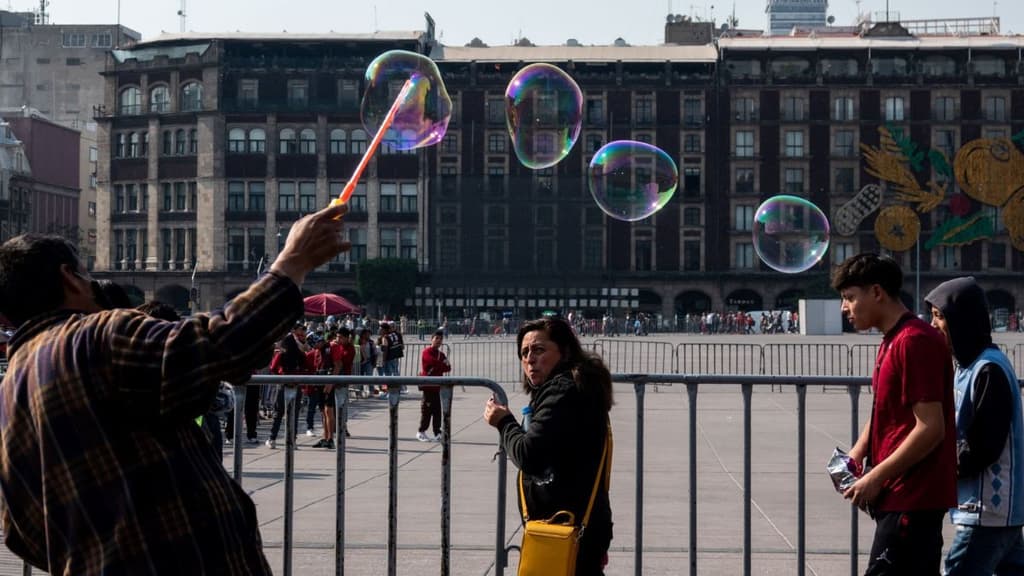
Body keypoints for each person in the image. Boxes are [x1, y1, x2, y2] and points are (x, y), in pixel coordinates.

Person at [0, 203, 350, 575]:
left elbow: (21, 532)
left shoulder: (9, 397)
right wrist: (291, 264)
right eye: (87, 275)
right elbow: (220, 343)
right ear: (70, 278)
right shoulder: (95, 337)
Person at [832, 253, 956, 575]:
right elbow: (883, 409)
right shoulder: (892, 339)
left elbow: (931, 428)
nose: (844, 308)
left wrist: (876, 477)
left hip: (913, 497)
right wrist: (857, 456)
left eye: (849, 298)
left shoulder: (914, 340)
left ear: (877, 292)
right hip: (900, 496)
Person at [483, 316, 614, 575]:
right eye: (524, 352)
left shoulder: (564, 391)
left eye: (539, 350)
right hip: (567, 527)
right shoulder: (569, 390)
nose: (529, 358)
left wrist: (504, 422)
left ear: (564, 352)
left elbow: (529, 455)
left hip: (568, 528)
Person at [924, 277, 1024, 575]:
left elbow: (983, 445)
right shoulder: (969, 365)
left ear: (961, 320)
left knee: (960, 568)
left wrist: (937, 467)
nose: (932, 326)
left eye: (939, 317)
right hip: (998, 511)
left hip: (986, 509)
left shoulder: (988, 368)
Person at [267, 323, 310, 449]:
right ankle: (288, 439)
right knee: (289, 413)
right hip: (292, 383)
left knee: (282, 413)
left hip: (287, 383)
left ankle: (275, 439)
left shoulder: (286, 349)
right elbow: (305, 366)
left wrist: (281, 375)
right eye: (300, 333)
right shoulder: (296, 349)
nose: (302, 335)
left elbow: (274, 367)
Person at [418, 329, 450, 442]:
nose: (439, 341)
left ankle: (437, 432)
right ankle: (421, 431)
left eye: (441, 339)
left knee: (437, 411)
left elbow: (448, 367)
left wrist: (439, 365)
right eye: (436, 338)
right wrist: (441, 365)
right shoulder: (426, 352)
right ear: (431, 339)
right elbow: (429, 363)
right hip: (428, 386)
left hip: (437, 387)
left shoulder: (441, 354)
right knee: (426, 411)